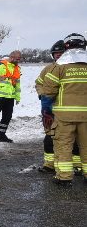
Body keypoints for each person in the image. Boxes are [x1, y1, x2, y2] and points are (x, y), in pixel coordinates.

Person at [41, 33, 87, 185]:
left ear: (66, 47)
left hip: (64, 116)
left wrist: (46, 111)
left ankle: (64, 177)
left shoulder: (58, 67)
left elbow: (48, 92)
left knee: (63, 146)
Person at [35, 40, 80, 173]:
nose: (58, 56)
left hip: (68, 110)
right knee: (50, 136)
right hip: (50, 110)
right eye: (56, 54)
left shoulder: (73, 68)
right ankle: (50, 164)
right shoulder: (48, 69)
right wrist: (43, 95)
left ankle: (77, 165)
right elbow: (39, 83)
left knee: (75, 137)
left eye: (61, 53)